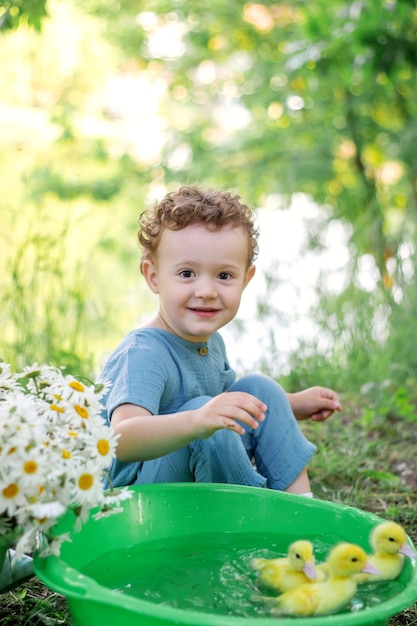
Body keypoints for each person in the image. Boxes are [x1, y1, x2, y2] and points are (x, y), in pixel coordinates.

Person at [100, 185, 341, 495]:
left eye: (224, 276)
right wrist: (195, 421)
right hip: (138, 501)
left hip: (187, 482)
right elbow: (121, 439)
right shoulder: (144, 353)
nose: (207, 291)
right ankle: (251, 520)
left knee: (260, 388)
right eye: (187, 273)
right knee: (208, 416)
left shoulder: (210, 343)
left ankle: (302, 510)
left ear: (245, 279)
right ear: (154, 277)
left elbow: (227, 401)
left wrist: (290, 404)